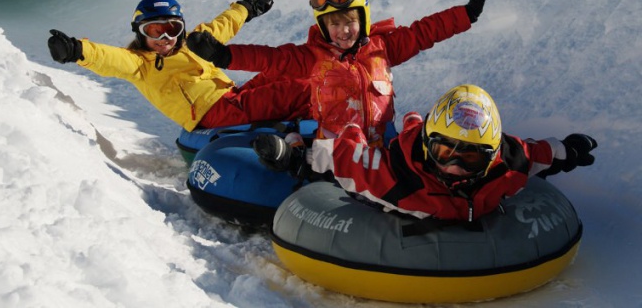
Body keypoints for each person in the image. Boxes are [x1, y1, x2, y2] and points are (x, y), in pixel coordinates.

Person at [187, 0, 488, 146]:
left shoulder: (384, 48)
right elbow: (271, 59)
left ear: (364, 19)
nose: (342, 31)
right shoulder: (313, 58)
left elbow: (424, 32)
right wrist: (225, 55)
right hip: (335, 151)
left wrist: (465, 14)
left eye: (349, 22)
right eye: (334, 24)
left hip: (379, 147)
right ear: (323, 27)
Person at [254, 84, 597, 221]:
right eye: (444, 150)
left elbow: (538, 154)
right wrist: (293, 156)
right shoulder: (394, 176)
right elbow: (344, 158)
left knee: (415, 126)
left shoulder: (509, 163)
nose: (454, 166)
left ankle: (414, 121)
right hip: (400, 153)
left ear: (492, 155)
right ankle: (408, 126)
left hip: (424, 136)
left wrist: (568, 150)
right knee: (353, 134)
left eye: (471, 157)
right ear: (428, 145)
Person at [47, 0, 311, 132]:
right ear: (140, 33)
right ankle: (326, 124)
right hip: (213, 114)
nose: (164, 38)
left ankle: (340, 103)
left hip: (232, 97)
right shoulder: (141, 64)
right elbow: (108, 58)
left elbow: (222, 26)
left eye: (172, 29)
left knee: (289, 74)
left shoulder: (190, 44)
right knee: (297, 92)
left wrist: (246, 7)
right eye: (154, 31)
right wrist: (76, 49)